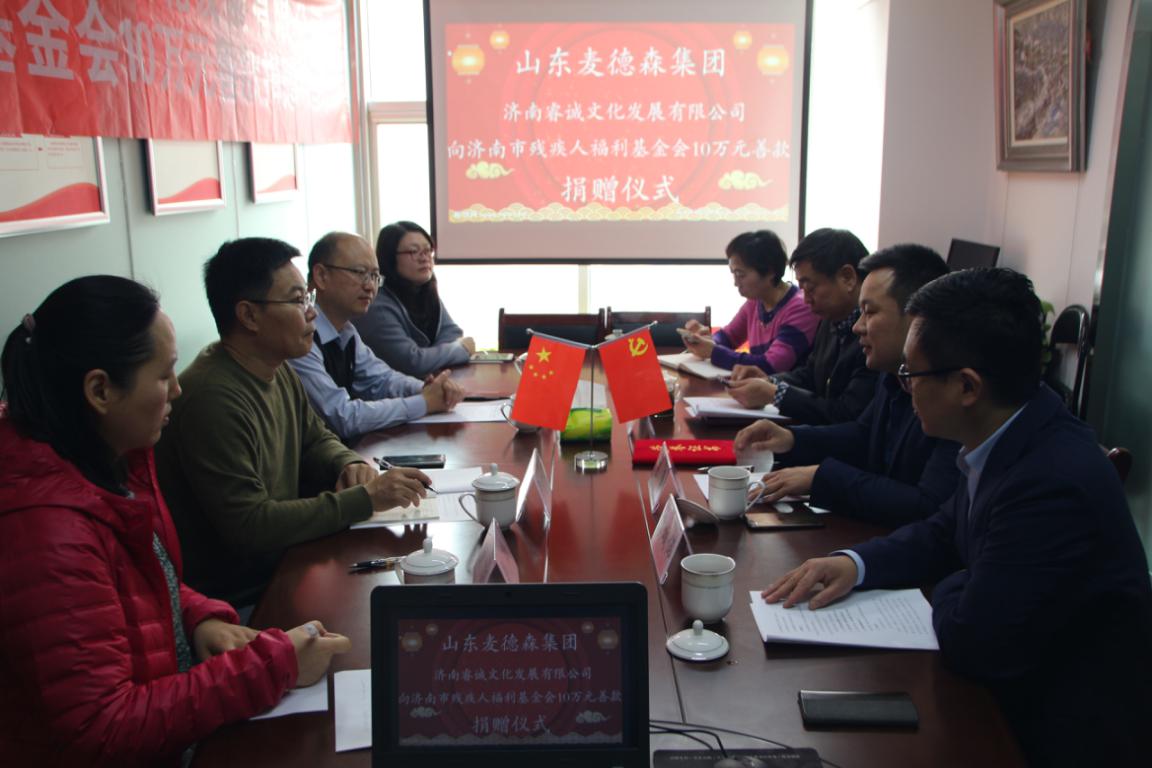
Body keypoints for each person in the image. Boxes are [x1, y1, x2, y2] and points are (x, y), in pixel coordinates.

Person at [761, 268, 1152, 767]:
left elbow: (973, 641)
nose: (904, 388)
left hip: (1053, 733)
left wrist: (956, 582)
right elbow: (944, 530)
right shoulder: (1008, 432)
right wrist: (855, 564)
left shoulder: (1050, 481)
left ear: (967, 387)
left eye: (912, 376)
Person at [0, 276, 350, 766]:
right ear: (100, 390)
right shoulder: (49, 532)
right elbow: (101, 728)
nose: (178, 389)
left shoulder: (107, 460)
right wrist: (274, 667)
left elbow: (141, 580)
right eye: (164, 376)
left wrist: (197, 617)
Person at [155, 237, 430, 607]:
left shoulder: (277, 367)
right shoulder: (213, 397)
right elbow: (251, 525)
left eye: (307, 298)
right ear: (249, 315)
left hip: (287, 564)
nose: (311, 312)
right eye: (298, 300)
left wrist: (346, 462)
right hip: (239, 600)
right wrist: (364, 499)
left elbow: (315, 437)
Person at [734, 244, 957, 525]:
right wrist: (792, 439)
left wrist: (821, 478)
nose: (857, 326)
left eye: (870, 313)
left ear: (917, 319)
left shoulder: (950, 393)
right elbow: (864, 434)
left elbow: (927, 506)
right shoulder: (893, 373)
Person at [289, 232, 464, 441]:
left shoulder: (346, 331)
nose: (370, 286)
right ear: (321, 276)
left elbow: (381, 380)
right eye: (359, 273)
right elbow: (343, 417)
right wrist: (424, 402)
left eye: (374, 276)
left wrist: (427, 389)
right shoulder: (299, 337)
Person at [726, 228, 878, 424]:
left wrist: (775, 394)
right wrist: (769, 381)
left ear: (847, 278)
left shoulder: (874, 336)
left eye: (810, 288)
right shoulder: (831, 319)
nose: (806, 299)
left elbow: (845, 415)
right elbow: (810, 374)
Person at [682, 229, 818, 374]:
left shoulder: (800, 307)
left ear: (770, 272)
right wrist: (707, 341)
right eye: (733, 274)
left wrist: (713, 351)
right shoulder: (755, 302)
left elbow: (770, 365)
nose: (735, 283)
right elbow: (728, 336)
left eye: (740, 275)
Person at [353, 221, 474, 378]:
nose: (424, 258)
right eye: (414, 251)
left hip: (424, 385)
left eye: (428, 250)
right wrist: (459, 350)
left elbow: (452, 332)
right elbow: (413, 363)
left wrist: (432, 359)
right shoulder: (377, 305)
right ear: (390, 257)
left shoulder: (425, 291)